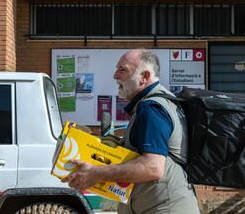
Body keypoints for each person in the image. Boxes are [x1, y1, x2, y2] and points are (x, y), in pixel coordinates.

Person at [62, 49, 200, 214]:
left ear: (144, 77)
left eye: (123, 70)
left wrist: (97, 173)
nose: (115, 75)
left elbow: (152, 167)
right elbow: (132, 153)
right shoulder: (154, 104)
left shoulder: (152, 108)